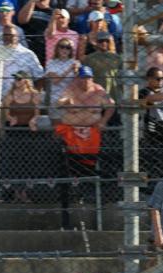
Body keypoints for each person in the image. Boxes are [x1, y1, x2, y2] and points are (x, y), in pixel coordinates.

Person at [55, 65, 114, 228]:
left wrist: (103, 121)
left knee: (92, 166)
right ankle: (75, 192)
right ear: (78, 78)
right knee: (70, 165)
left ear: (92, 77)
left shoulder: (99, 90)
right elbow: (58, 103)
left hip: (92, 134)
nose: (85, 80)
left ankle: (90, 193)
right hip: (72, 135)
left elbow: (111, 105)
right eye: (82, 77)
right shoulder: (71, 89)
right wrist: (65, 102)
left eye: (88, 77)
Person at [0, 25, 44, 96]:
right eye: (5, 35)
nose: (7, 37)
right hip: (0, 98)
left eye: (11, 35)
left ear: (17, 37)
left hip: (24, 99)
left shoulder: (28, 54)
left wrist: (34, 96)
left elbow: (40, 78)